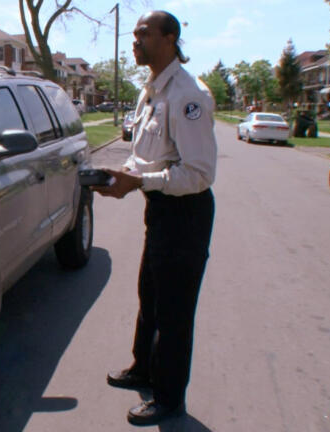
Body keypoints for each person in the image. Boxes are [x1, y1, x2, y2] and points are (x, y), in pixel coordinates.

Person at [91, 10, 217, 426]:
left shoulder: (188, 95)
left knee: (174, 312)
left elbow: (198, 174)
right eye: (134, 34)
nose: (135, 40)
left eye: (143, 33)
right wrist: (123, 175)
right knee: (150, 295)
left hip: (186, 213)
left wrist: (141, 182)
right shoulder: (151, 90)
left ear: (170, 38)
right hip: (161, 208)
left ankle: (168, 398)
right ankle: (143, 369)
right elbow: (144, 155)